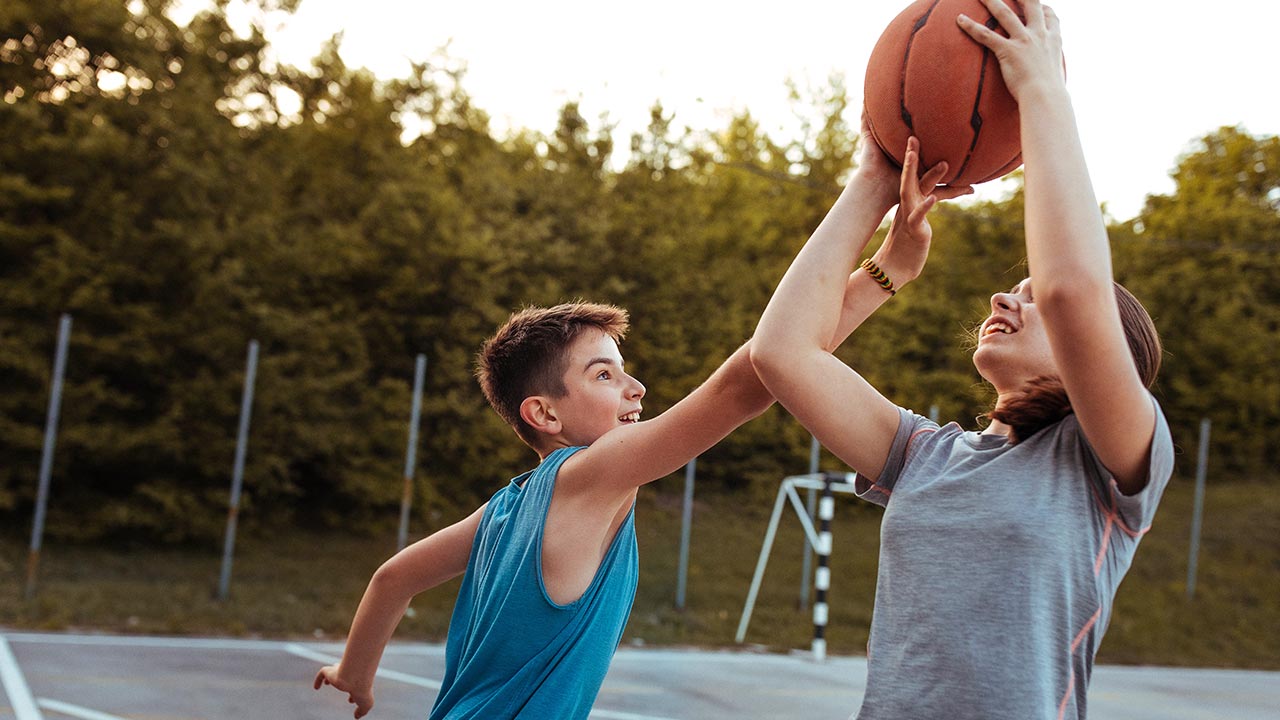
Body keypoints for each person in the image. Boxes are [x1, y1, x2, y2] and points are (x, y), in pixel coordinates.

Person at [750, 1, 1174, 718]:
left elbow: (1074, 291)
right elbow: (781, 353)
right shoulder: (926, 456)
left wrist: (1041, 88)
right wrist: (876, 181)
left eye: (1030, 298)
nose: (1007, 301)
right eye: (1013, 290)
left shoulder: (1113, 467)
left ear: (1107, 354)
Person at [312, 296, 869, 719]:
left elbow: (393, 578)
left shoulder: (509, 505)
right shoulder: (590, 476)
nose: (637, 387)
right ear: (545, 415)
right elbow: (750, 381)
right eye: (604, 374)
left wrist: (354, 673)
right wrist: (883, 271)